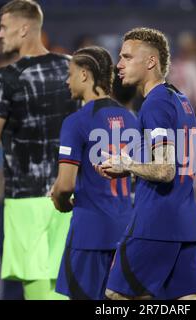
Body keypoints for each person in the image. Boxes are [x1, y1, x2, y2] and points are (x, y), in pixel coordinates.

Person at [96, 27, 196, 300]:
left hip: (156, 223)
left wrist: (127, 165)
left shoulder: (155, 104)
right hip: (186, 222)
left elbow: (165, 169)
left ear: (150, 62)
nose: (118, 65)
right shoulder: (180, 100)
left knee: (116, 296)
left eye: (126, 57)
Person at [0, 0, 78, 300]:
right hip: (69, 194)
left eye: (5, 27)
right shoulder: (72, 68)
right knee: (65, 284)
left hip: (26, 199)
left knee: (37, 288)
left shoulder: (7, 77)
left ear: (24, 29)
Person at [51, 46, 137, 300]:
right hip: (125, 230)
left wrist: (60, 200)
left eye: (71, 73)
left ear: (85, 75)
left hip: (89, 233)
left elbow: (64, 185)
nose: (68, 81)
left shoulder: (76, 121)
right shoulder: (133, 119)